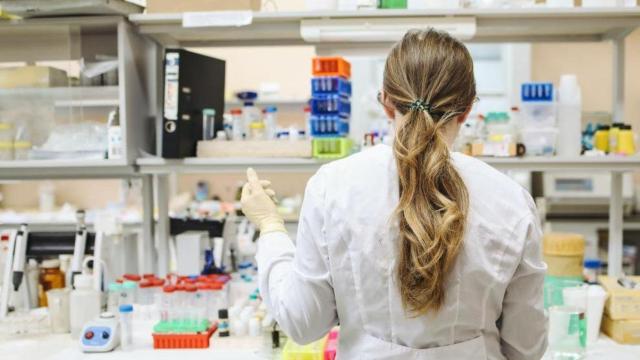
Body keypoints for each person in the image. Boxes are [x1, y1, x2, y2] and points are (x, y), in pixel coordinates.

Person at [241, 29, 547, 359]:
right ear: (467, 110)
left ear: (387, 102)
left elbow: (303, 323)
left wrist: (270, 226)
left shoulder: (333, 186)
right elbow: (526, 346)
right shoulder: (510, 200)